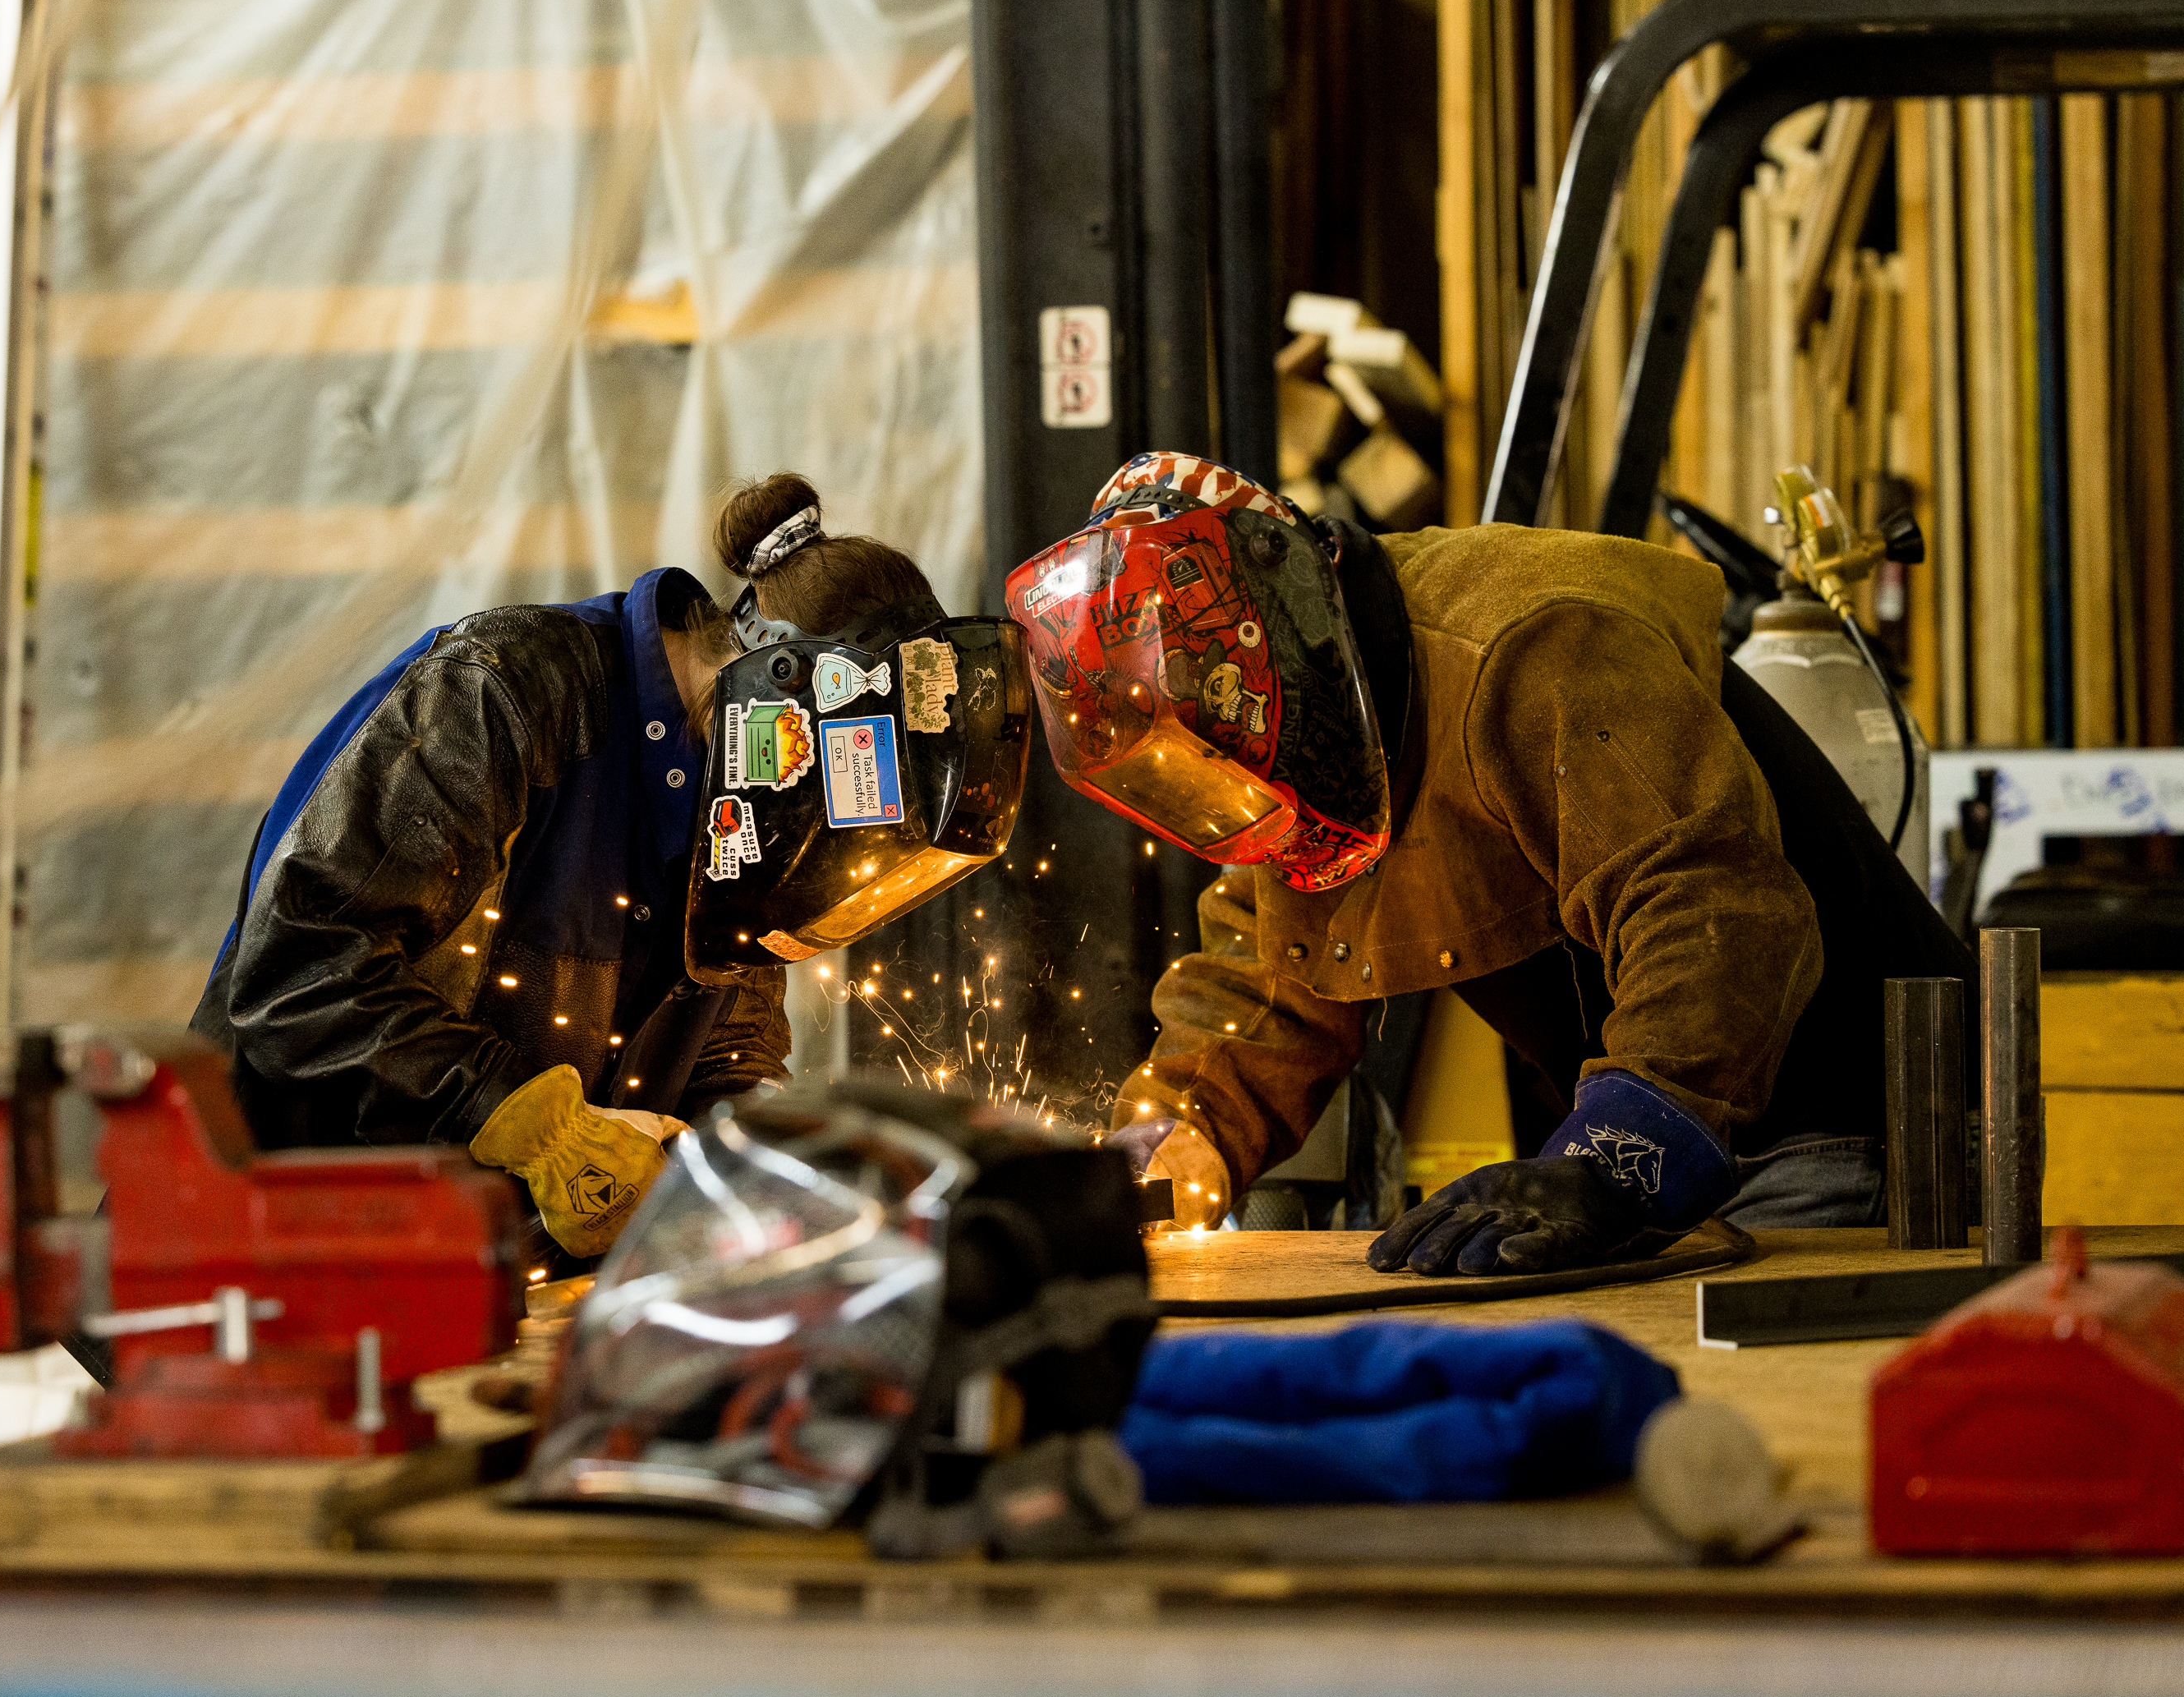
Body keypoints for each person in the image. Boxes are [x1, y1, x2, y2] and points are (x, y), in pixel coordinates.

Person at [1005, 451, 1969, 1276]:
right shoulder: (1307, 737)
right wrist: (1179, 1134)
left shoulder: (1527, 643)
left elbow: (1714, 909)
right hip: (1683, 1117)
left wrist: (1610, 1160)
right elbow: (1273, 970)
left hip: (1845, 1119)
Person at [191, 473, 945, 1259]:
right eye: (818, 771)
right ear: (775, 679)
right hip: (277, 1252)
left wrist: (759, 1167)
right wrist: (534, 1124)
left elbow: (730, 1043)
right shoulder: (503, 690)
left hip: (494, 1274)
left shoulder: (750, 802)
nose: (810, 810)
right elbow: (298, 975)